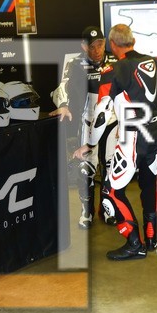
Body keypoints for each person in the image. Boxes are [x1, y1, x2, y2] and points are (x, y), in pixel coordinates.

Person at [73, 24, 157, 260]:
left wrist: (90, 145)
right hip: (154, 134)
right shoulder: (151, 62)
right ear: (133, 40)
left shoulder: (113, 70)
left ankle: (134, 243)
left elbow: (102, 114)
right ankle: (152, 235)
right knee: (149, 183)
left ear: (112, 44)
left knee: (111, 191)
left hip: (133, 138)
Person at [50, 26, 119, 229]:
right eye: (92, 46)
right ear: (83, 46)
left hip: (112, 123)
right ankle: (86, 211)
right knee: (85, 169)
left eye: (100, 45)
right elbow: (62, 87)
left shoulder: (115, 61)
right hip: (88, 123)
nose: (97, 50)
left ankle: (108, 208)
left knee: (111, 168)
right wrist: (63, 105)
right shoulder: (76, 63)